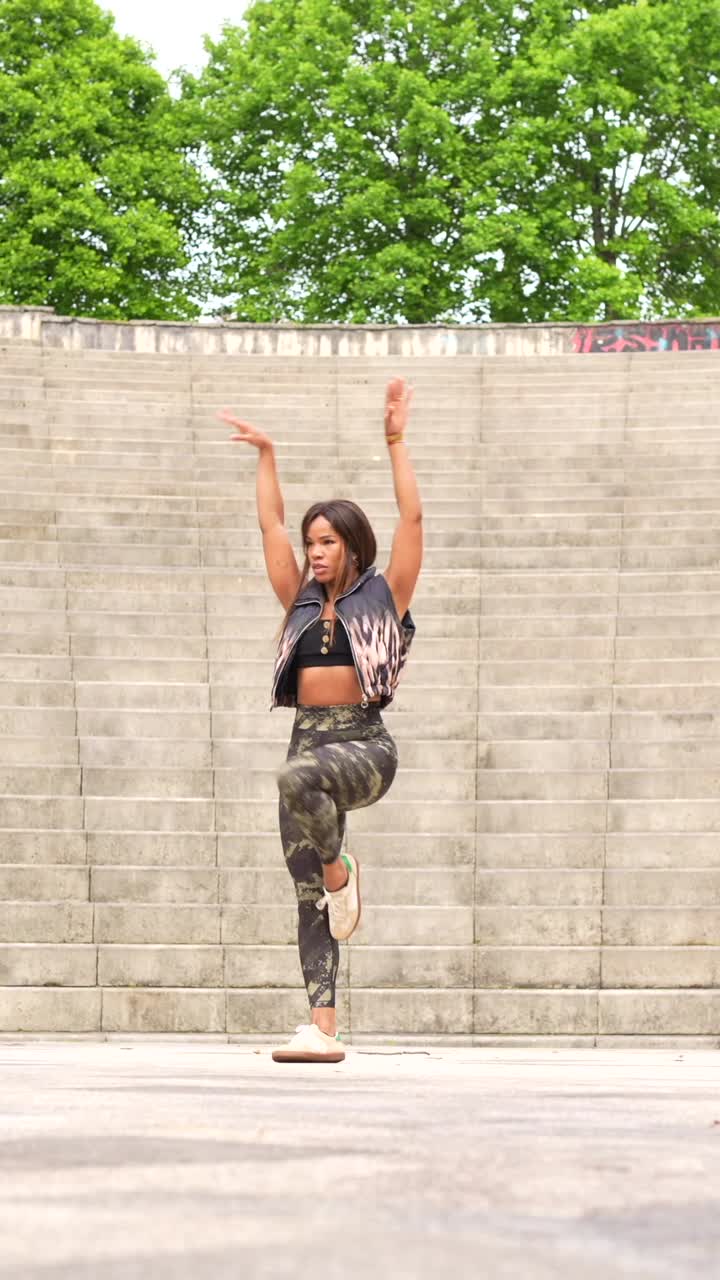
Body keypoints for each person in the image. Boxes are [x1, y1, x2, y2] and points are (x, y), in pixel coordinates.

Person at [219, 377, 423, 1063]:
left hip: (363, 744)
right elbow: (268, 526)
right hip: (307, 741)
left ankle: (341, 870)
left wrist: (396, 441)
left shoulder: (385, 593)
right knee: (307, 891)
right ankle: (323, 1028)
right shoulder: (298, 598)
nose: (315, 551)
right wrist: (267, 455)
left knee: (298, 785)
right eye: (312, 541)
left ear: (354, 545)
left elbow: (414, 523)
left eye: (328, 541)